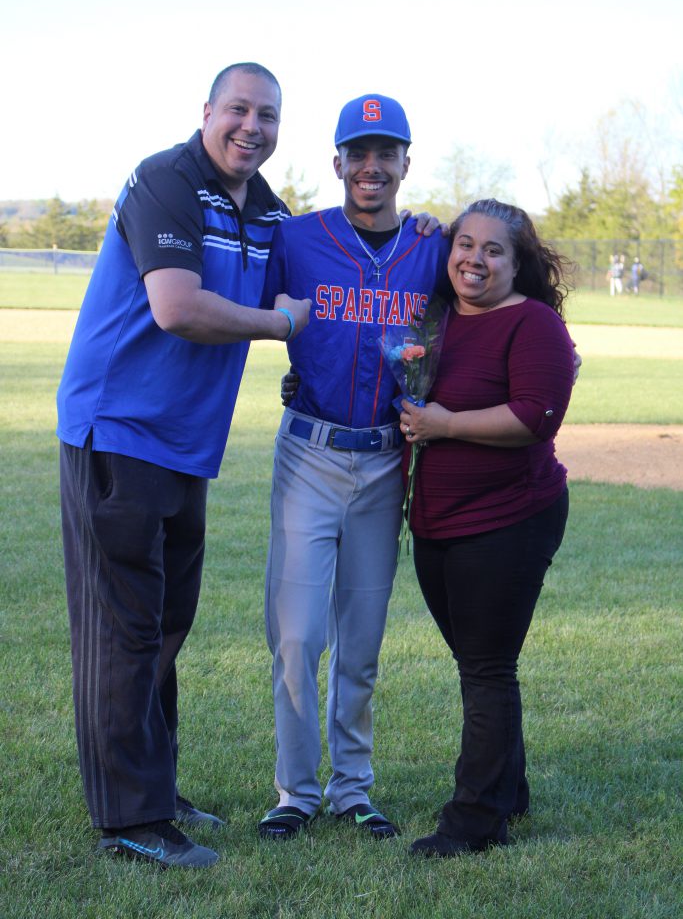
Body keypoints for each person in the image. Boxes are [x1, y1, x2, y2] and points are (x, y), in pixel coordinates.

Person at [56, 62, 311, 869]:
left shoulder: (268, 211)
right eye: (238, 109)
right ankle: (129, 819)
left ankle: (155, 790)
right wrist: (277, 326)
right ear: (206, 111)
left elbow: (317, 291)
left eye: (267, 115)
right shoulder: (165, 180)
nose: (252, 127)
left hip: (184, 448)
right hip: (119, 431)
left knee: (165, 627)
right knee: (125, 630)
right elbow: (175, 307)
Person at [257, 95, 451, 841]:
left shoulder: (433, 246)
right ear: (335, 162)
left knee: (361, 641)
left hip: (383, 459)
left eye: (386, 152)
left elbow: (466, 314)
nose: (371, 166)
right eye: (357, 152)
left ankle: (353, 788)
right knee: (298, 636)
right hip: (307, 451)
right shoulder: (296, 238)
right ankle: (294, 793)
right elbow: (259, 306)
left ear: (406, 162)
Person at [398, 199, 575, 858]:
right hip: (435, 520)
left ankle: (473, 822)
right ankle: (507, 789)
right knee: (478, 663)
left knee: (486, 666)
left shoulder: (530, 323)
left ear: (516, 261)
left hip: (509, 518)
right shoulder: (434, 319)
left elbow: (537, 416)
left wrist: (444, 424)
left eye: (492, 249)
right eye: (463, 244)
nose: (474, 258)